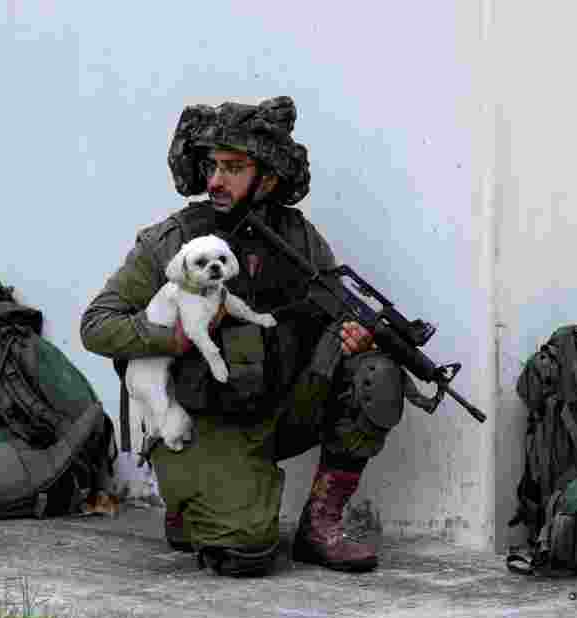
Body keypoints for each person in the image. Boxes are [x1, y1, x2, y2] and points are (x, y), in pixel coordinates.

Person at [80, 96, 407, 577]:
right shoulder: (175, 241)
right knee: (245, 555)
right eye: (211, 166)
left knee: (375, 376)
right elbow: (97, 325)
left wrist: (353, 335)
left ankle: (321, 526)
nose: (215, 180)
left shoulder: (298, 239)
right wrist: (175, 339)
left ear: (269, 176)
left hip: (280, 407)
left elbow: (334, 308)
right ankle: (189, 500)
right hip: (206, 418)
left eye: (233, 167)